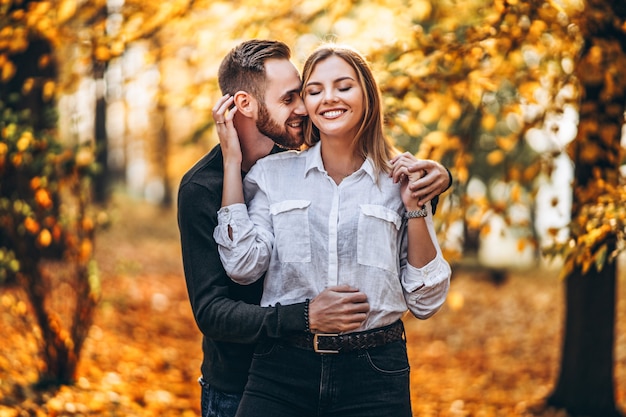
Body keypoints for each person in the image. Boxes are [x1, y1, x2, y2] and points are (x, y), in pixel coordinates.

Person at [180, 39, 451, 417]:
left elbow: (422, 293)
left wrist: (433, 184)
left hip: (374, 372)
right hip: (264, 372)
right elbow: (225, 291)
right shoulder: (247, 180)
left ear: (367, 94)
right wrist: (306, 316)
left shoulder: (393, 179)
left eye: (343, 86)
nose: (313, 104)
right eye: (305, 94)